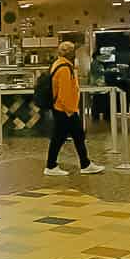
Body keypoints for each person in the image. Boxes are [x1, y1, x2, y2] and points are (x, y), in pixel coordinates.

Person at [36, 41, 103, 176]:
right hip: (65, 110)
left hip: (62, 109)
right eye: (73, 51)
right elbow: (65, 93)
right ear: (70, 53)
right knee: (61, 137)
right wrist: (70, 110)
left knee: (74, 136)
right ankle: (52, 166)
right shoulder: (65, 68)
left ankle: (84, 164)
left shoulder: (58, 64)